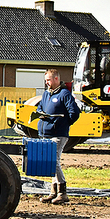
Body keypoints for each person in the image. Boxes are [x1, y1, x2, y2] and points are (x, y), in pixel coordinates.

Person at [37, 68, 80, 205]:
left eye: (48, 80)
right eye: (45, 81)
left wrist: (62, 124)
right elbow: (39, 108)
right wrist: (40, 113)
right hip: (46, 133)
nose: (47, 83)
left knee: (54, 161)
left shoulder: (64, 94)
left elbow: (74, 113)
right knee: (50, 162)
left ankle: (62, 192)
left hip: (58, 134)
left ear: (56, 79)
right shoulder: (46, 94)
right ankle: (53, 192)